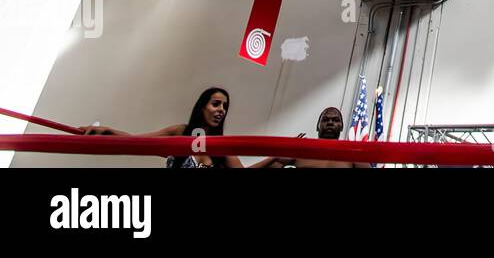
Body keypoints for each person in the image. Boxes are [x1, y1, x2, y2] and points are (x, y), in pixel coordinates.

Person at [79, 86, 244, 168]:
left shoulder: (221, 147)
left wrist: (270, 158)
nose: (221, 110)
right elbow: (138, 142)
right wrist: (107, 131)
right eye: (216, 104)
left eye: (225, 107)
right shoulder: (181, 132)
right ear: (202, 107)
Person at [252, 106, 370, 169]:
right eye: (325, 120)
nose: (330, 123)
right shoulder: (301, 150)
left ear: (341, 126)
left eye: (335, 120)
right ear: (317, 126)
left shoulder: (352, 154)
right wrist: (279, 153)